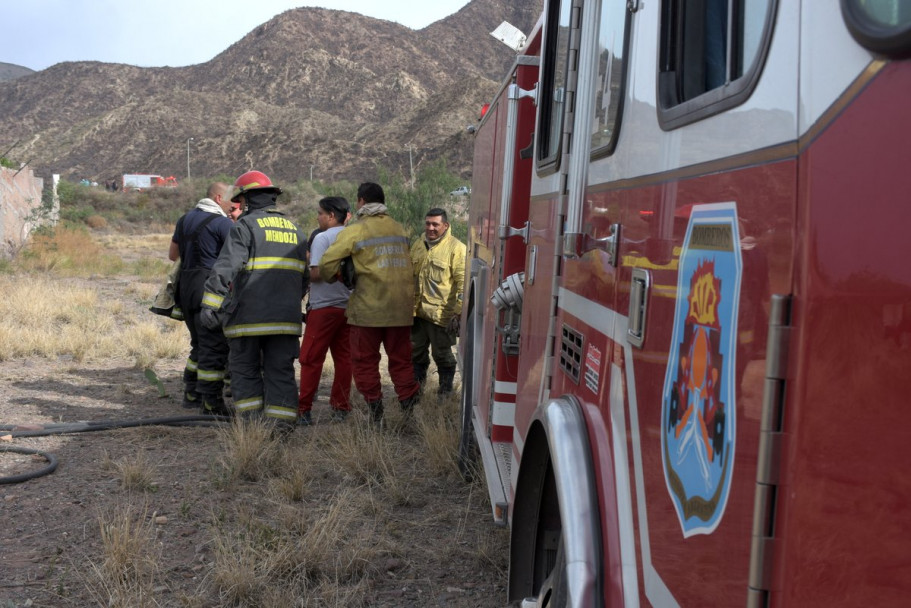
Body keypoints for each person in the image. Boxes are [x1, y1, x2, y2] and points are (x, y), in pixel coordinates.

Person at [200, 170, 308, 434]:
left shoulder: (244, 227)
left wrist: (210, 305)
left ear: (248, 199)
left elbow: (226, 268)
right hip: (286, 319)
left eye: (243, 200)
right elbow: (304, 278)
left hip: (248, 319)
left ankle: (252, 429)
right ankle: (281, 429)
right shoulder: (296, 230)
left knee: (245, 371)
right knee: (281, 372)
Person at [319, 182, 420, 424]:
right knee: (401, 360)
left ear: (361, 201)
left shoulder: (355, 231)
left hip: (368, 311)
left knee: (364, 361)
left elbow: (325, 266)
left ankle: (376, 414)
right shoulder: (400, 229)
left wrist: (341, 278)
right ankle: (408, 411)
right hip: (400, 310)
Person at [168, 182, 235, 415]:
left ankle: (191, 392)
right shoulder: (223, 223)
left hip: (185, 288)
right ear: (218, 198)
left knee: (198, 342)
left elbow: (172, 255)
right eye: (230, 200)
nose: (232, 205)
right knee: (213, 346)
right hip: (208, 288)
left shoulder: (184, 219)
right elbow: (235, 258)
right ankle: (210, 403)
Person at [297, 197, 354, 426]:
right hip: (348, 308)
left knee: (310, 358)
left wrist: (304, 267)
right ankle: (340, 407)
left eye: (320, 213)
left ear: (331, 215)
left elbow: (317, 273)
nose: (317, 217)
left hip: (324, 308)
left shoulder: (322, 238)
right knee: (345, 360)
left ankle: (303, 410)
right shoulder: (353, 236)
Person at [410, 207, 466, 394]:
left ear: (446, 225)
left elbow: (463, 283)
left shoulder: (456, 248)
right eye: (428, 223)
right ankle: (416, 394)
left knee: (442, 356)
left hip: (442, 317)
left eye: (435, 224)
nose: (431, 228)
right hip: (416, 314)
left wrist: (458, 313)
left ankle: (445, 394)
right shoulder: (418, 244)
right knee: (415, 354)